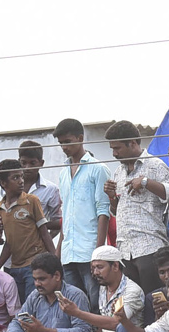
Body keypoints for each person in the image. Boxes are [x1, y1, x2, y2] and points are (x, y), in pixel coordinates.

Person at [103, 120, 169, 295]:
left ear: (132, 143)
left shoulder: (155, 165)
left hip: (149, 246)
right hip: (125, 251)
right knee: (135, 304)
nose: (114, 153)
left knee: (156, 301)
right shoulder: (119, 172)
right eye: (112, 149)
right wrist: (111, 196)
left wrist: (146, 182)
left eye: (117, 148)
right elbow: (117, 211)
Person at [54, 246, 149, 332]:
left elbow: (115, 323)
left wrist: (77, 313)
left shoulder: (132, 290)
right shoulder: (103, 288)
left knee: (122, 328)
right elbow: (103, 323)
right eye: (93, 268)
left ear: (115, 266)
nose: (95, 273)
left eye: (99, 267)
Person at [0, 252, 95, 332]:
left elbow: (84, 331)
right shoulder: (35, 296)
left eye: (42, 279)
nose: (37, 284)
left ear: (57, 276)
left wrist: (44, 331)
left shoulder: (75, 295)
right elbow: (17, 321)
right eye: (34, 279)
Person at [54, 118, 111, 308]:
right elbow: (66, 214)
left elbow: (104, 211)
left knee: (95, 303)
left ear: (80, 138)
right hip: (68, 251)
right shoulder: (63, 173)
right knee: (74, 304)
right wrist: (59, 249)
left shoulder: (98, 168)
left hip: (89, 250)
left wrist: (98, 251)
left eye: (68, 142)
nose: (64, 147)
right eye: (61, 143)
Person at [0, 159, 53, 303]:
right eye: (15, 178)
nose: (21, 181)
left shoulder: (31, 201)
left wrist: (55, 260)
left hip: (34, 264)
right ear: (3, 183)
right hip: (14, 266)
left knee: (33, 304)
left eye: (21, 176)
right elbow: (9, 242)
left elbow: (44, 232)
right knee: (19, 307)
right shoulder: (0, 208)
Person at [18, 140, 62, 235]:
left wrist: (46, 242)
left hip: (38, 246)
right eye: (23, 163)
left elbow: (58, 223)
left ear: (41, 163)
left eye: (32, 163)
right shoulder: (10, 186)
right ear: (19, 162)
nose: (27, 167)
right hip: (14, 244)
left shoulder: (51, 190)